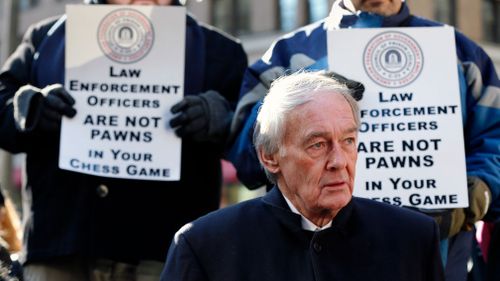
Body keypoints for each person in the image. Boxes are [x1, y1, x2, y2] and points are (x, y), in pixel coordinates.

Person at [228, 1, 499, 280]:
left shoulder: (462, 55)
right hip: (315, 262)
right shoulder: (287, 56)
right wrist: (302, 96)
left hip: (437, 258)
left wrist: (481, 191)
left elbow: (495, 141)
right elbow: (250, 157)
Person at [0, 0, 247, 280]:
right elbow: (2, 108)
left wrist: (222, 117)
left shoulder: (220, 51)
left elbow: (256, 143)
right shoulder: (47, 39)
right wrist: (30, 108)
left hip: (167, 253)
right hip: (61, 248)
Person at [160, 71, 444, 281]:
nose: (338, 161)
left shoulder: (413, 237)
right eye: (317, 145)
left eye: (347, 141)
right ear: (269, 157)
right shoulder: (204, 246)